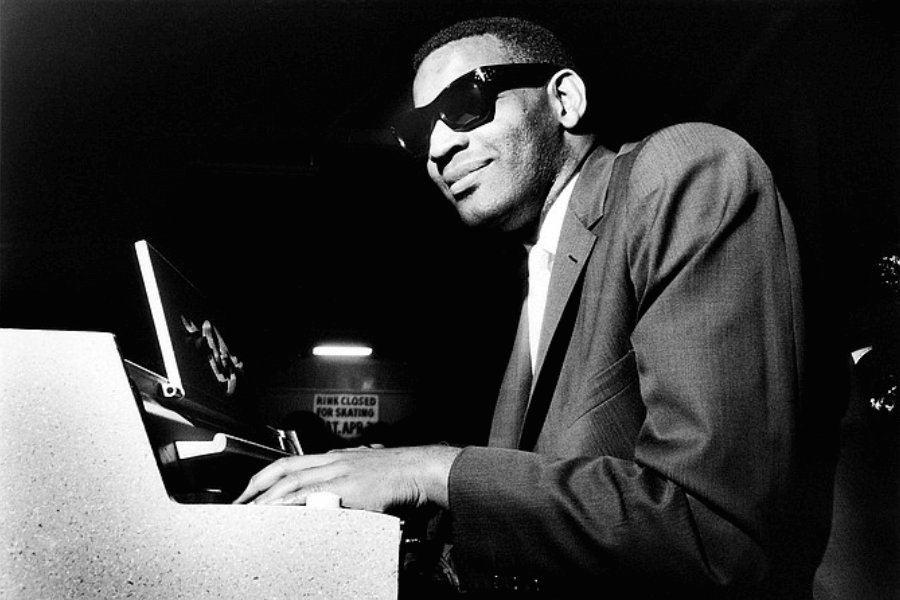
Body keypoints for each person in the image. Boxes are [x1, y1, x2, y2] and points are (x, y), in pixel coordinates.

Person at [235, 16, 845, 598]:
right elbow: (547, 523)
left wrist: (432, 471)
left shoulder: (683, 167)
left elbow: (713, 532)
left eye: (463, 104)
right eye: (419, 133)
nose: (439, 148)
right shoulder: (543, 272)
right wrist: (397, 492)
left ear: (564, 100)